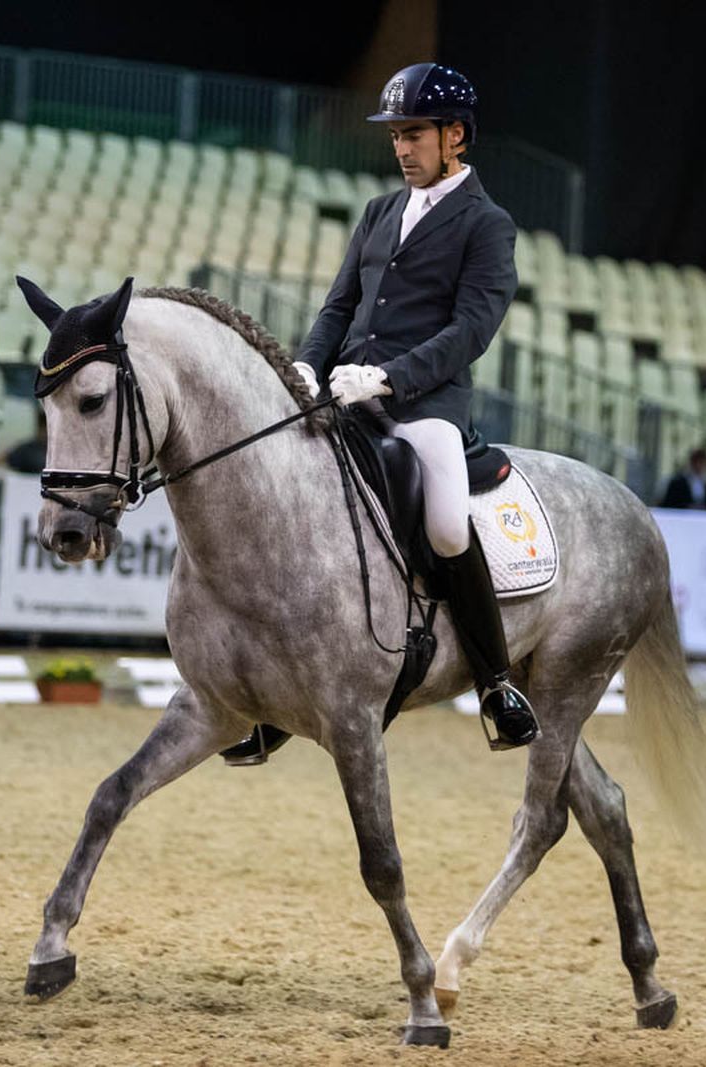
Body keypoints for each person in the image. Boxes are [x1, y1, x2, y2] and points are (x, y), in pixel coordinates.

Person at [221, 62, 537, 767]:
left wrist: (390, 377)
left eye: (415, 133)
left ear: (455, 136)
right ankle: (280, 695)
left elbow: (471, 330)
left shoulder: (488, 224)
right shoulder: (378, 211)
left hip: (425, 404)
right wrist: (304, 363)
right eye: (396, 134)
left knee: (449, 524)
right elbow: (339, 305)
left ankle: (495, 684)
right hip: (344, 390)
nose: (402, 147)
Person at [0, 408, 47, 474]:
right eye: (44, 429)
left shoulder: (55, 450)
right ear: (39, 428)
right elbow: (5, 458)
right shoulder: (28, 450)